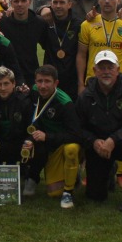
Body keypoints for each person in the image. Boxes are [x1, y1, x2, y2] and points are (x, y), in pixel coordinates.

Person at [76, 50, 122, 211]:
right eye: (102, 68)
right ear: (94, 71)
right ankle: (109, 170)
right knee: (95, 196)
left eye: (110, 67)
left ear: (118, 69)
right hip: (98, 147)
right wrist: (93, 142)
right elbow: (78, 127)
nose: (106, 71)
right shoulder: (86, 96)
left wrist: (113, 140)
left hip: (121, 144)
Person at [25, 65, 82, 209]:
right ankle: (31, 178)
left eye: (47, 81)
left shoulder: (65, 103)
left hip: (63, 145)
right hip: (48, 143)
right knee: (53, 192)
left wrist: (48, 136)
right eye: (39, 81)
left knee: (72, 149)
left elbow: (76, 135)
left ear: (56, 83)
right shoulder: (34, 91)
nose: (42, 86)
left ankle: (68, 191)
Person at [76, 0, 122, 95]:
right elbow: (81, 55)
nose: (107, 1)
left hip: (119, 81)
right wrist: (80, 84)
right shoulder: (87, 24)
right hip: (93, 81)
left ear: (118, 0)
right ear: (98, 1)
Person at [0, 0, 49, 86]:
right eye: (16, 1)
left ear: (29, 2)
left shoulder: (39, 23)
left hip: (31, 73)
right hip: (7, 74)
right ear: (11, 2)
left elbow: (48, 47)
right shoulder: (3, 22)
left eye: (23, 1)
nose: (20, 4)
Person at [41, 0, 82, 101]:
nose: (58, 6)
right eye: (55, 2)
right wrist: (41, 9)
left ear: (69, 4)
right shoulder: (45, 21)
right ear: (51, 4)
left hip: (72, 80)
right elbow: (29, 16)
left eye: (62, 2)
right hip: (50, 80)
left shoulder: (78, 24)